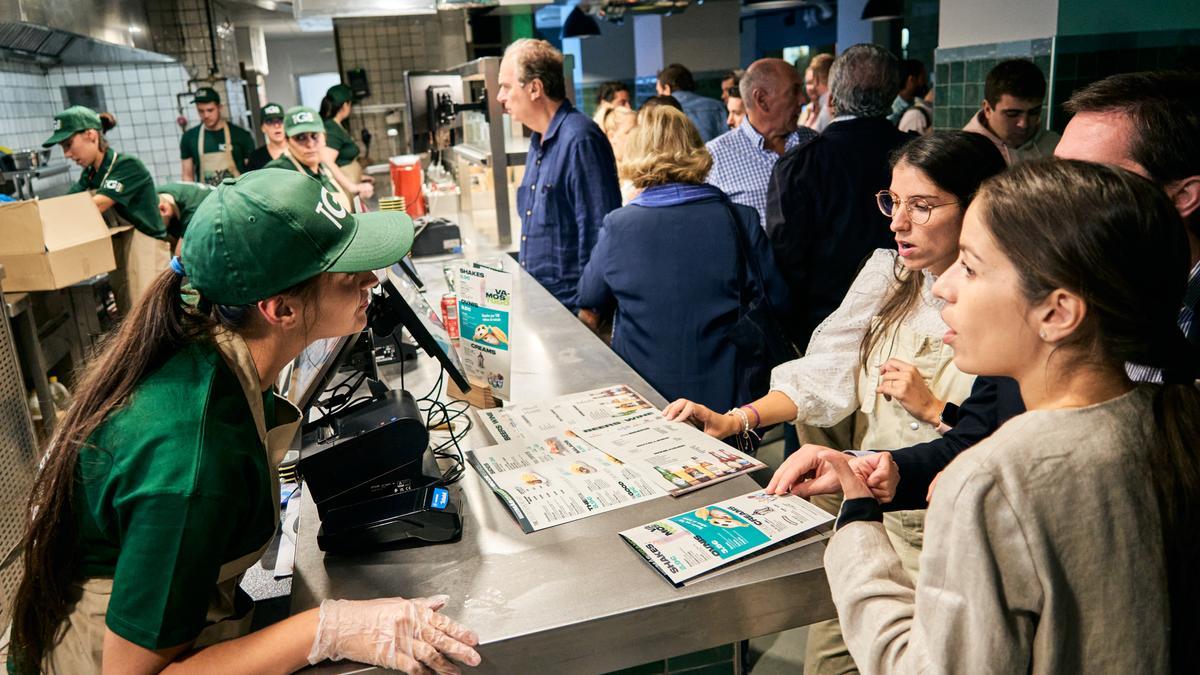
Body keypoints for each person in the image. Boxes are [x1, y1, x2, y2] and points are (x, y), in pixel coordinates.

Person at [8, 169, 482, 674]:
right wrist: (330, 628)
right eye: (350, 273)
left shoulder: (221, 337)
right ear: (280, 309)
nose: (372, 282)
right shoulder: (191, 461)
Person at [814, 158, 1200, 673]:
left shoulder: (993, 480)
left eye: (970, 267)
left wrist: (857, 526)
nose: (945, 287)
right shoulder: (1175, 414)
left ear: (1057, 313)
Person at [780, 69, 1200, 515]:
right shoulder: (1038, 300)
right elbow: (975, 435)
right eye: (1057, 170)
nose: (1055, 195)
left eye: (1088, 176)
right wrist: (867, 469)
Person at [668, 131, 1006, 675]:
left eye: (921, 207)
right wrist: (738, 419)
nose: (898, 222)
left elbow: (998, 439)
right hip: (867, 515)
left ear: (981, 207)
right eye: (893, 202)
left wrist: (937, 410)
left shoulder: (1006, 307)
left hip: (944, 544)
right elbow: (828, 370)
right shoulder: (890, 274)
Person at [578, 105, 790, 412]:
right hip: (728, 403)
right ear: (695, 149)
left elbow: (589, 299)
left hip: (643, 402)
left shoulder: (619, 225)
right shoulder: (739, 220)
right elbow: (779, 300)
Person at [767, 43, 912, 351]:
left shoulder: (800, 164)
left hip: (823, 328)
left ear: (831, 98)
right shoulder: (918, 154)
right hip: (903, 317)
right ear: (892, 95)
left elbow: (785, 260)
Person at [497, 38, 621, 313]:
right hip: (544, 305)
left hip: (573, 309)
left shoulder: (580, 139)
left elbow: (600, 231)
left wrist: (592, 310)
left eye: (506, 87)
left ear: (535, 88)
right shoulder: (537, 141)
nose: (500, 97)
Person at [706, 58, 816, 230]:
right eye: (794, 91)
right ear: (762, 100)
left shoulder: (813, 142)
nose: (803, 100)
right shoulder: (715, 158)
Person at [44, 106, 165, 241]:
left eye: (68, 144)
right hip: (123, 246)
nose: (66, 154)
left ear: (91, 135)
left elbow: (96, 206)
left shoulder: (127, 166)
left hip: (149, 247)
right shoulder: (90, 173)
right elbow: (68, 202)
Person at [265, 106, 373, 213]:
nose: (310, 144)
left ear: (325, 138)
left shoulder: (323, 169)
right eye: (300, 138)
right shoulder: (277, 172)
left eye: (314, 136)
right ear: (287, 141)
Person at [963, 59, 1059, 164]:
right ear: (987, 110)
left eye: (1033, 112)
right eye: (1012, 114)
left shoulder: (1056, 146)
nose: (1024, 124)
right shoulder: (962, 153)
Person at [180, 86, 256, 185]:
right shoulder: (189, 138)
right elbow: (187, 176)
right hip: (207, 197)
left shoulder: (241, 135)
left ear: (220, 108)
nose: (206, 115)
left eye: (210, 110)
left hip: (237, 197)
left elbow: (253, 175)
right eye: (201, 111)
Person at [655, 63, 728, 142]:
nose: (658, 96)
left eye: (658, 91)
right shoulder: (717, 107)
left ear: (667, 88)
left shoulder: (661, 112)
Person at [320, 83, 366, 182]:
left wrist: (360, 178)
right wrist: (352, 186)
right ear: (345, 105)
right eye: (351, 104)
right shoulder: (331, 127)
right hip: (345, 188)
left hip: (351, 183)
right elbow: (327, 162)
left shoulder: (337, 125)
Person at [156, 181, 216, 248]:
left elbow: (180, 256)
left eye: (155, 225)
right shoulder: (156, 195)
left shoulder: (193, 213)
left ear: (163, 210)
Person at [889, 59, 932, 135]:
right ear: (911, 79)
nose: (925, 83)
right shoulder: (893, 109)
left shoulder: (917, 102)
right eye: (922, 78)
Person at [246, 102, 287, 171]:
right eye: (270, 122)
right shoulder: (256, 157)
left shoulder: (299, 150)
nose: (277, 126)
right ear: (263, 128)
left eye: (280, 120)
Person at [801, 53, 834, 132]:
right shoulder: (806, 110)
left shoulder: (829, 105)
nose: (813, 87)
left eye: (813, 81)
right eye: (808, 83)